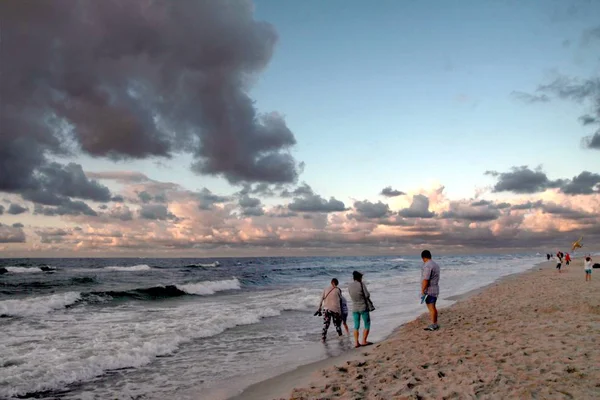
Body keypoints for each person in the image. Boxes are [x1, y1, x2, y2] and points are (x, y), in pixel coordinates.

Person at [348, 271, 372, 348]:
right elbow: (367, 295)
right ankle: (364, 341)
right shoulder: (361, 284)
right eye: (361, 277)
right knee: (367, 324)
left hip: (354, 308)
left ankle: (356, 343)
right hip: (363, 307)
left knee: (356, 325)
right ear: (359, 277)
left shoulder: (349, 286)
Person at [421, 250, 440, 331]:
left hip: (429, 290)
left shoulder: (427, 265)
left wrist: (423, 290)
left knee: (431, 308)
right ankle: (435, 323)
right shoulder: (435, 264)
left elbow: (426, 279)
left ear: (423, 257)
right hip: (435, 288)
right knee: (433, 307)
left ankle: (433, 325)